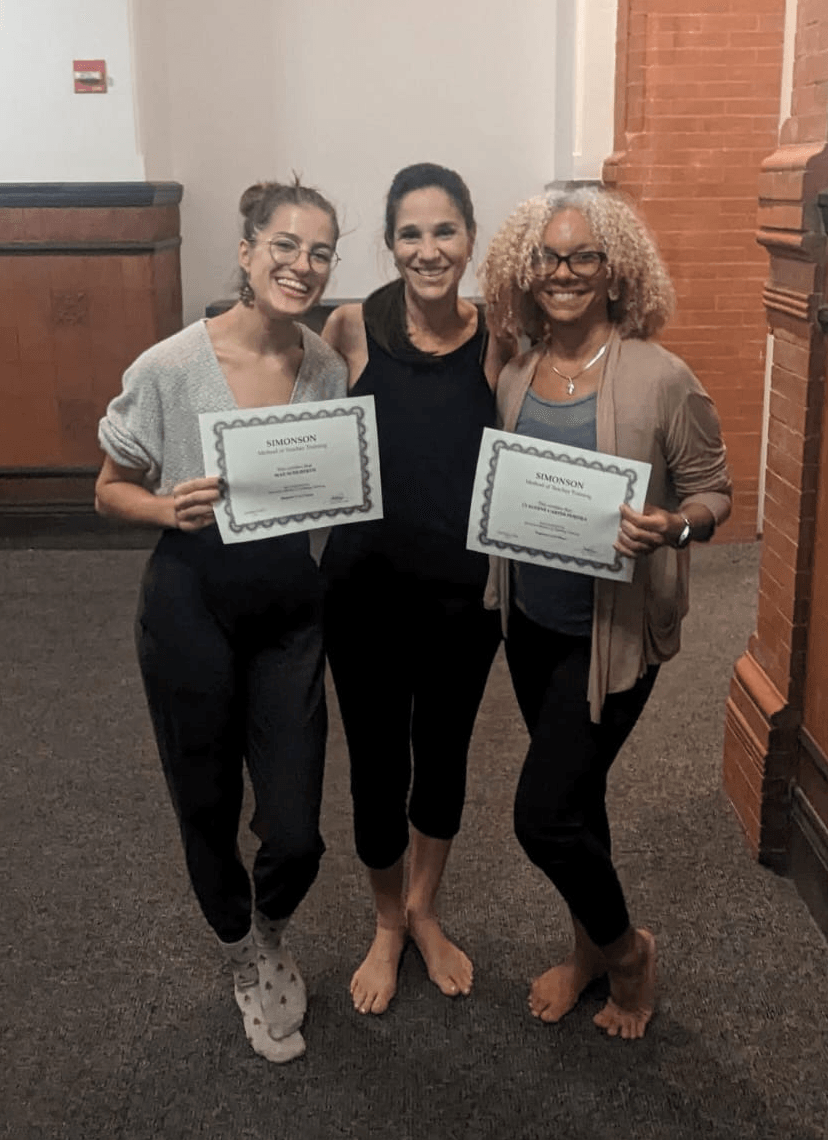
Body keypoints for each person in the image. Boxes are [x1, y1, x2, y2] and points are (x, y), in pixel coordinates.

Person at [95, 179, 348, 1063]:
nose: (303, 265)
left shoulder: (327, 369)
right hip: (189, 607)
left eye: (321, 252)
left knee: (298, 829)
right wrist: (167, 508)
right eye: (285, 245)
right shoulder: (169, 368)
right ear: (246, 252)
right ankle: (242, 947)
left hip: (288, 614)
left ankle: (270, 923)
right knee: (205, 803)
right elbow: (108, 490)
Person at [478, 183, 731, 1040]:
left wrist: (674, 526)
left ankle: (626, 954)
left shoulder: (662, 378)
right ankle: (586, 949)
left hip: (613, 640)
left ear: (615, 271)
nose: (564, 272)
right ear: (529, 271)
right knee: (579, 801)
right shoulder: (517, 375)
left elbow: (714, 491)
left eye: (583, 256)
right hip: (531, 626)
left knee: (542, 816)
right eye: (548, 257)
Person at [322, 163, 512, 1015]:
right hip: (362, 596)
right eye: (410, 233)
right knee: (374, 766)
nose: (428, 250)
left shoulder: (501, 338)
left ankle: (424, 909)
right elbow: (293, 424)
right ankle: (385, 922)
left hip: (462, 601)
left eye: (444, 231)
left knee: (442, 757)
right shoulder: (351, 326)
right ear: (389, 243)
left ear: (469, 239)